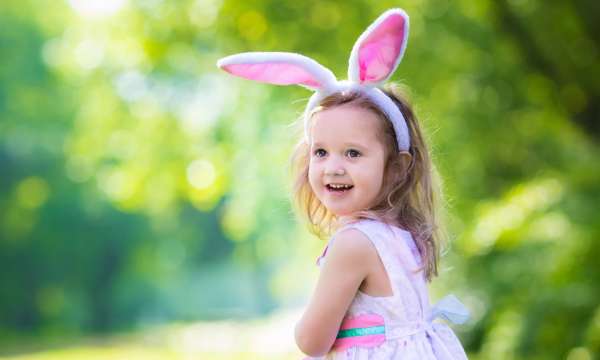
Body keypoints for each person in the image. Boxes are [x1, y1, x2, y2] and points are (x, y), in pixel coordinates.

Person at [217, 8, 470, 359]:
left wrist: (302, 324)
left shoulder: (353, 243)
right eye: (321, 152)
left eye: (352, 153)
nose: (333, 168)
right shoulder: (399, 233)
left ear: (396, 167)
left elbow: (312, 341)